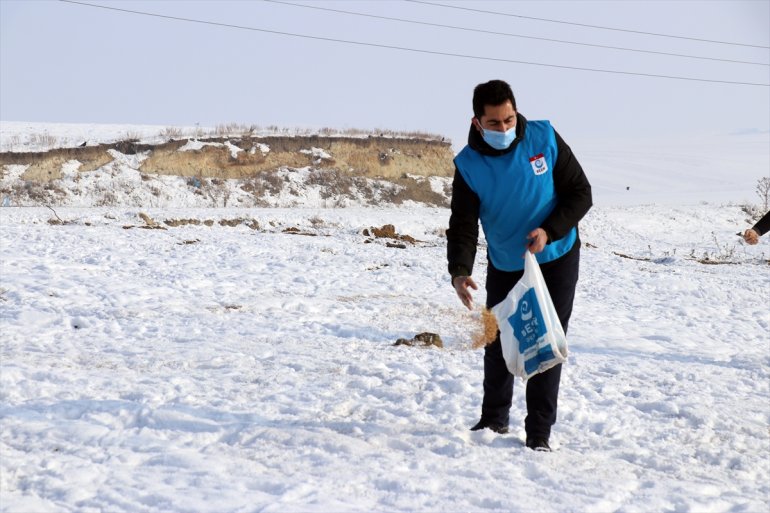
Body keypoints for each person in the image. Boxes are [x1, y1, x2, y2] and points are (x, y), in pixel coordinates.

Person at [447, 80, 592, 452]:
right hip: (507, 262)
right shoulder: (468, 164)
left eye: (509, 119)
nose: (505, 129)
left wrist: (550, 230)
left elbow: (581, 193)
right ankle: (494, 418)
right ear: (478, 122)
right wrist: (460, 270)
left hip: (556, 256)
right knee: (495, 338)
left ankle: (539, 432)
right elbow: (463, 223)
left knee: (547, 340)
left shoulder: (543, 137)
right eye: (494, 123)